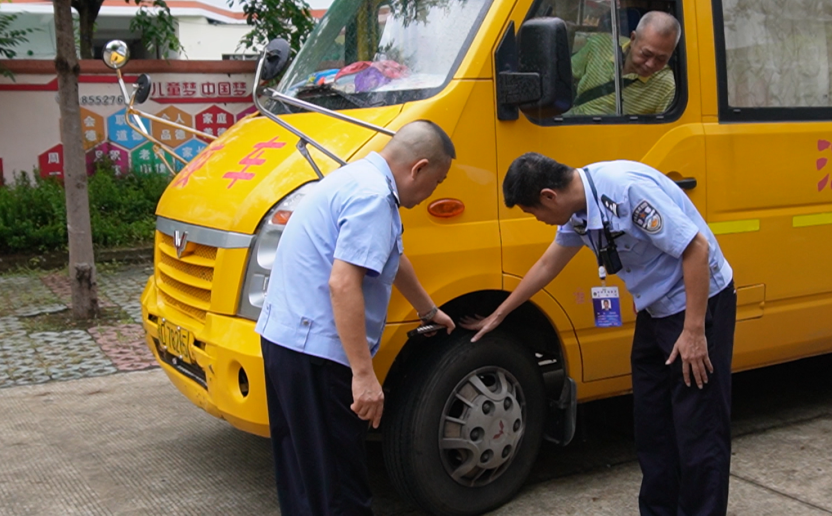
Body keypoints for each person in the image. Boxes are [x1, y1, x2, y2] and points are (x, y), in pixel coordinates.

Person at [464, 152, 736, 516]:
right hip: (655, 310)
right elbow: (548, 263)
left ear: (549, 196)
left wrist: (694, 331)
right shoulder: (578, 210)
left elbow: (696, 249)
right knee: (653, 426)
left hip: (697, 304)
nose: (538, 220)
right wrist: (499, 314)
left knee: (698, 429)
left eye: (533, 212)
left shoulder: (626, 192)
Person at [256, 120, 458, 516]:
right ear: (418, 168)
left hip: (285, 344)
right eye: (437, 182)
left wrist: (428, 310)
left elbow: (392, 256)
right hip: (317, 355)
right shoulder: (374, 199)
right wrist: (364, 376)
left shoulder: (354, 177)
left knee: (303, 478)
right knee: (339, 488)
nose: (433, 192)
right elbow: (343, 284)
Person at [566, 11, 680, 117]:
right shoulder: (600, 45)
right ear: (633, 39)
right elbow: (563, 75)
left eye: (661, 59)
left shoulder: (668, 87)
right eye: (646, 54)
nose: (650, 64)